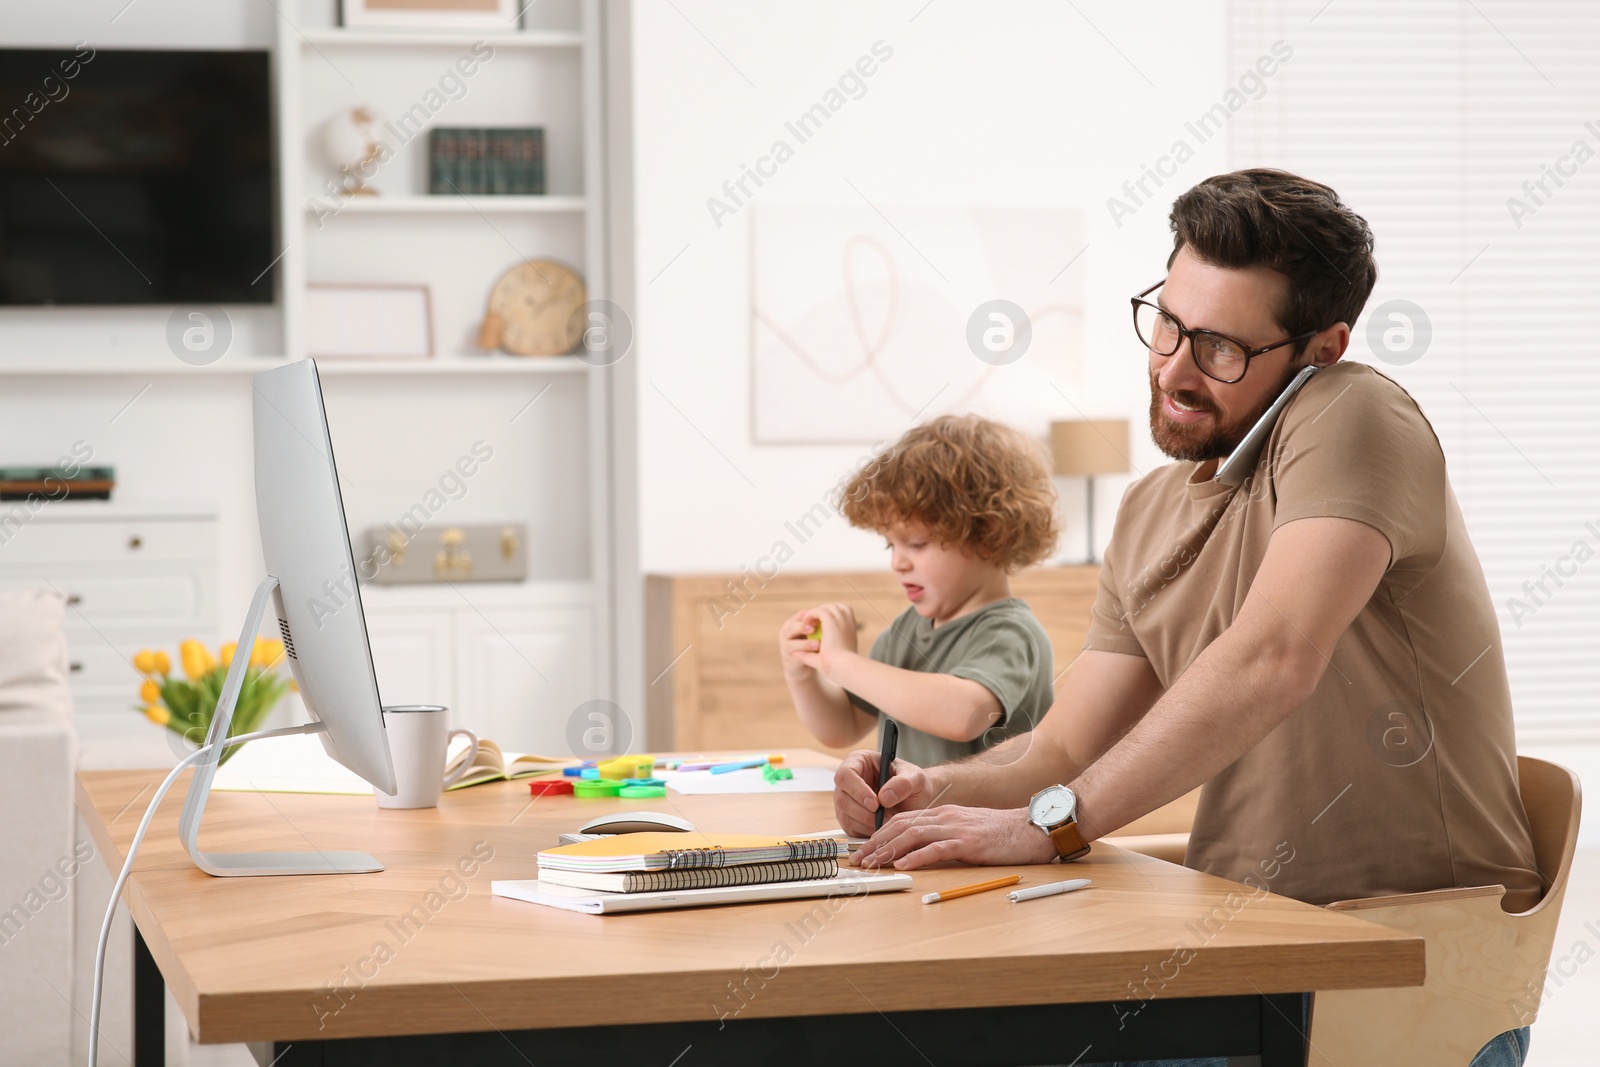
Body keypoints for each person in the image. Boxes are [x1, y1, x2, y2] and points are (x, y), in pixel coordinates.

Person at [832, 170, 1540, 1066]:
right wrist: (930, 794)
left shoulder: (1356, 412)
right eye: (1167, 322)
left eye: (1221, 347)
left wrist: (1051, 824)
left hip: (1402, 975)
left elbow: (1275, 654)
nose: (1172, 367)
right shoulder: (1149, 509)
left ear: (1322, 348)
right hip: (1238, 964)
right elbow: (1061, 751)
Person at [779, 414, 1059, 768]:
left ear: (989, 536)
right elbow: (842, 729)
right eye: (890, 546)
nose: (898, 562)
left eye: (915, 543)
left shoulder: (1009, 633)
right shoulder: (904, 632)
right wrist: (804, 672)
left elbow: (964, 715)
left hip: (987, 823)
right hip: (915, 822)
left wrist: (842, 663)